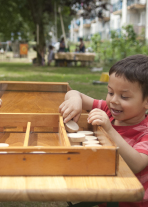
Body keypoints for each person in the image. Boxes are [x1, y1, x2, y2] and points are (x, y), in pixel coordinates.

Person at [59, 54, 148, 207]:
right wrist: (75, 100)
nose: (113, 100)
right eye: (111, 92)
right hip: (106, 190)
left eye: (124, 96)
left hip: (132, 201)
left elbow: (136, 164)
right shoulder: (108, 110)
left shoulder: (144, 132)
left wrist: (109, 130)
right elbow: (74, 93)